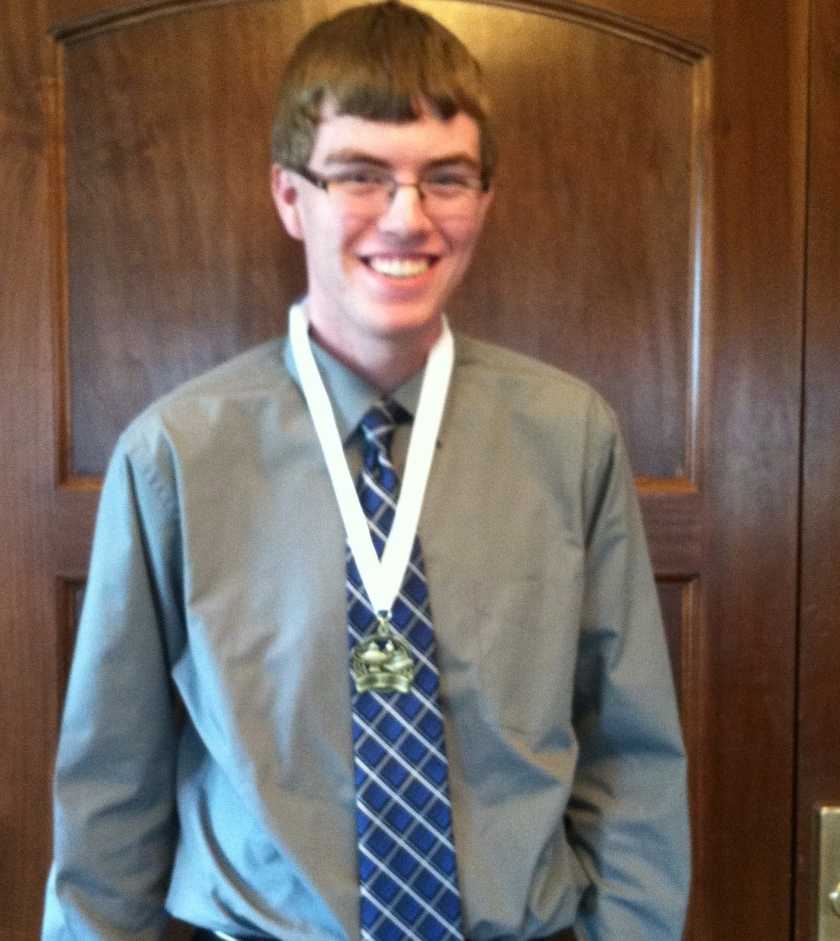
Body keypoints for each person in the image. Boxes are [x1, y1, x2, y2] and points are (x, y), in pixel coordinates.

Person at [42, 3, 690, 940]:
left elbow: (629, 757)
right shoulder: (176, 456)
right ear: (288, 195)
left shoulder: (570, 436)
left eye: (446, 179)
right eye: (360, 175)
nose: (406, 216)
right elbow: (112, 797)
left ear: (485, 199)